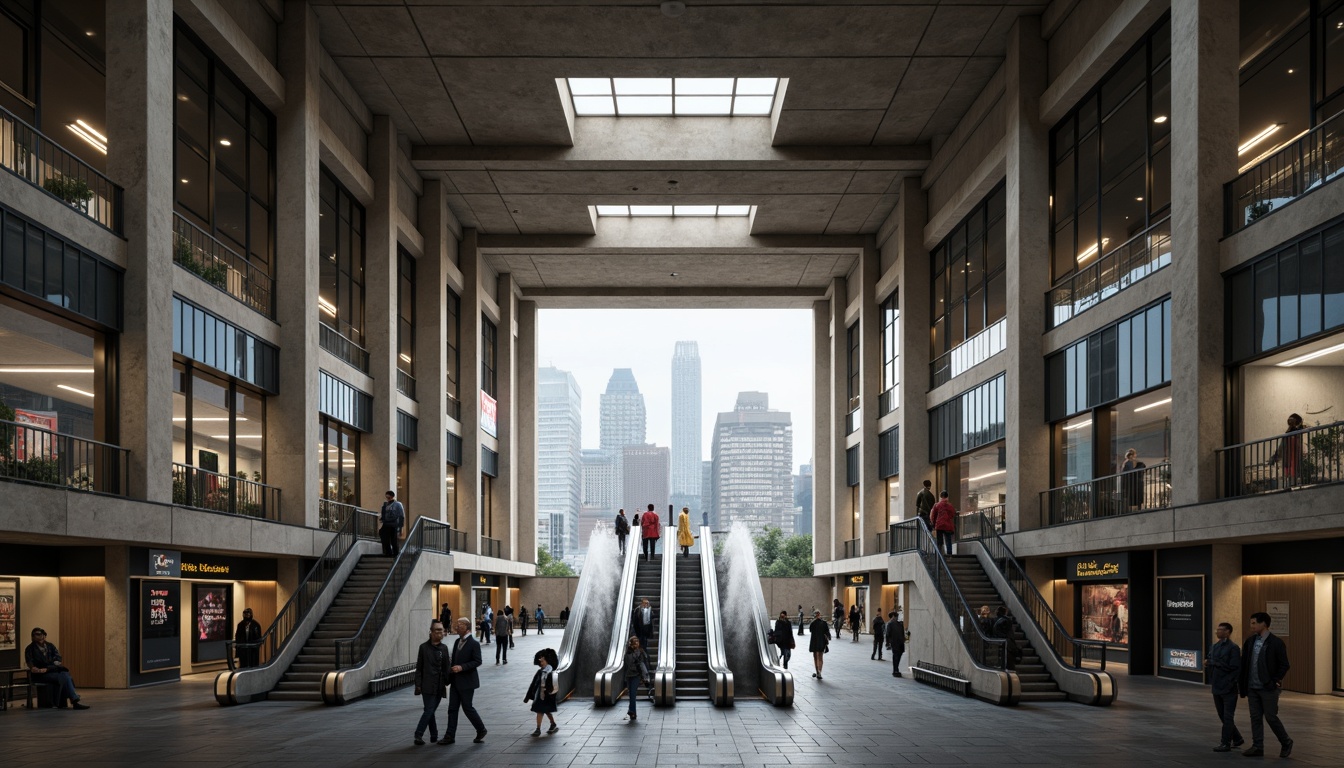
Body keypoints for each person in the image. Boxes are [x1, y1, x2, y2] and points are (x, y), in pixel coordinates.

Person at [1239, 612, 1292, 758]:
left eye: (1254, 623)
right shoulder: (1250, 641)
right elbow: (1245, 664)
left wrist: (1275, 679)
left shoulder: (1275, 642)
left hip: (1268, 687)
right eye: (1251, 623)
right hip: (1252, 687)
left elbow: (1284, 664)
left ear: (1264, 624)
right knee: (1255, 717)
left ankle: (1286, 742)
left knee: (1271, 717)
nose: (1252, 626)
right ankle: (1257, 746)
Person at [441, 618, 487, 745]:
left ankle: (481, 729)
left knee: (467, 708)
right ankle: (449, 736)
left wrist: (462, 667)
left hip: (467, 682)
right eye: (457, 624)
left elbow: (478, 661)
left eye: (459, 625)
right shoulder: (457, 642)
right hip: (455, 681)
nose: (457, 626)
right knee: (452, 709)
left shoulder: (474, 644)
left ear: (466, 627)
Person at [1205, 621, 1244, 752]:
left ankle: (1225, 742)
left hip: (1228, 687)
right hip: (1216, 685)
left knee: (1228, 716)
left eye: (1220, 630)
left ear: (1227, 631)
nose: (1217, 632)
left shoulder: (1233, 648)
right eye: (1217, 629)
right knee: (1222, 715)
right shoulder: (1214, 646)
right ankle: (1237, 738)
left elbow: (1234, 667)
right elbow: (1210, 661)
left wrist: (1214, 663)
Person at [24, 628, 88, 709]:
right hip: (40, 675)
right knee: (66, 676)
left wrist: (48, 668)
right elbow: (30, 662)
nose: (40, 636)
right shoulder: (30, 649)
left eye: (41, 634)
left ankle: (72, 700)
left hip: (51, 671)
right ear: (33, 636)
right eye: (37, 634)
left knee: (65, 675)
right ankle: (74, 699)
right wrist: (34, 668)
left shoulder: (50, 646)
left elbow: (58, 660)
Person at [413, 619, 449, 745]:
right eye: (437, 630)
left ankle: (434, 735)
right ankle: (418, 734)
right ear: (431, 632)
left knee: (431, 710)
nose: (440, 632)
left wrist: (448, 681)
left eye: (442, 630)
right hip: (427, 685)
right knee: (429, 710)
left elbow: (446, 667)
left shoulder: (444, 648)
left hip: (439, 686)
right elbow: (419, 667)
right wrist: (418, 684)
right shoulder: (423, 648)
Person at [524, 648, 560, 736]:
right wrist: (528, 696)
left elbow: (554, 686)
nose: (541, 663)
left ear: (548, 661)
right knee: (542, 711)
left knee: (543, 711)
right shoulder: (540, 672)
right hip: (539, 696)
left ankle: (544, 727)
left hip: (547, 696)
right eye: (540, 661)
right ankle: (545, 726)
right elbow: (533, 684)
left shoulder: (551, 673)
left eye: (543, 661)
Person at [1269, 413, 1305, 488]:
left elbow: (1281, 448)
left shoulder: (1293, 434)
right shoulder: (1293, 434)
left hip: (1292, 460)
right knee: (1291, 477)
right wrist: (1275, 457)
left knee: (1291, 477)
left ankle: (1291, 486)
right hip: (1290, 460)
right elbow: (1281, 447)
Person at [621, 635, 651, 722]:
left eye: (637, 642)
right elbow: (628, 662)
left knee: (633, 694)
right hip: (628, 675)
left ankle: (632, 712)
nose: (636, 644)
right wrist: (633, 653)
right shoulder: (628, 653)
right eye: (634, 642)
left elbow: (642, 665)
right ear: (630, 644)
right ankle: (631, 710)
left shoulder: (641, 652)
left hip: (636, 675)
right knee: (631, 694)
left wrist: (645, 676)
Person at [930, 491, 957, 556]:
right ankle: (949, 555)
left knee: (939, 541)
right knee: (948, 540)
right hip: (947, 525)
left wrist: (933, 523)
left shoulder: (937, 505)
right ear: (947, 497)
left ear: (940, 497)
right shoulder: (950, 506)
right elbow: (953, 514)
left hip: (939, 525)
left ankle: (939, 554)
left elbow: (933, 515)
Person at [379, 490, 405, 557]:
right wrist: (382, 519)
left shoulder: (397, 504)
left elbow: (401, 515)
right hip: (386, 523)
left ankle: (395, 553)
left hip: (393, 523)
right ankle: (388, 552)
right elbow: (384, 514)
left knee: (393, 539)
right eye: (387, 497)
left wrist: (401, 526)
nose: (388, 499)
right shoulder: (386, 504)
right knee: (384, 536)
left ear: (392, 497)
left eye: (389, 497)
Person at [808, 610, 831, 680]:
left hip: (815, 641)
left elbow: (810, 630)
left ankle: (818, 671)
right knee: (820, 657)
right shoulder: (824, 623)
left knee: (816, 657)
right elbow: (827, 632)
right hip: (821, 641)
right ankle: (819, 672)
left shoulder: (813, 623)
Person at [885, 611, 906, 677]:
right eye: (896, 616)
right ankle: (895, 669)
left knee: (898, 655)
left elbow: (902, 633)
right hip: (895, 642)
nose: (896, 618)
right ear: (893, 616)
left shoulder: (900, 624)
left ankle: (896, 669)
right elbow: (887, 634)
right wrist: (888, 643)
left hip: (900, 642)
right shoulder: (890, 624)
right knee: (896, 656)